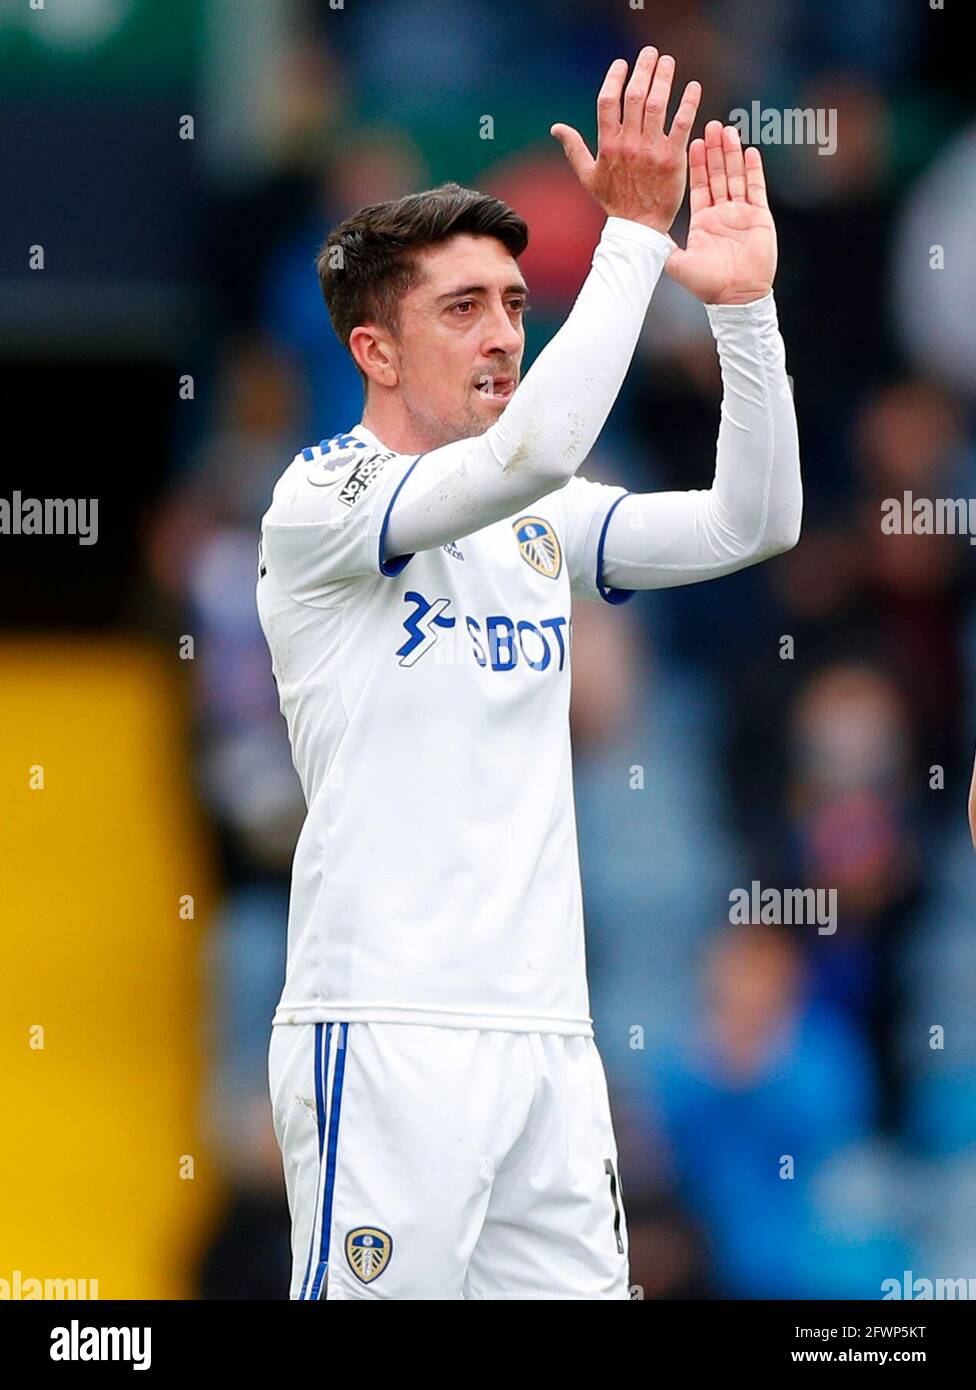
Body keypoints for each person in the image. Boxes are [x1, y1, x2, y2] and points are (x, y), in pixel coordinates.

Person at [257, 45, 802, 1300]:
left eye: (513, 303)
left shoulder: (534, 521)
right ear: (373, 351)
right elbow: (540, 449)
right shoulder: (321, 499)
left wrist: (743, 310)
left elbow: (749, 522)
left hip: (548, 1041)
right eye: (462, 309)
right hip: (389, 1029)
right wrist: (627, 235)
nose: (503, 335)